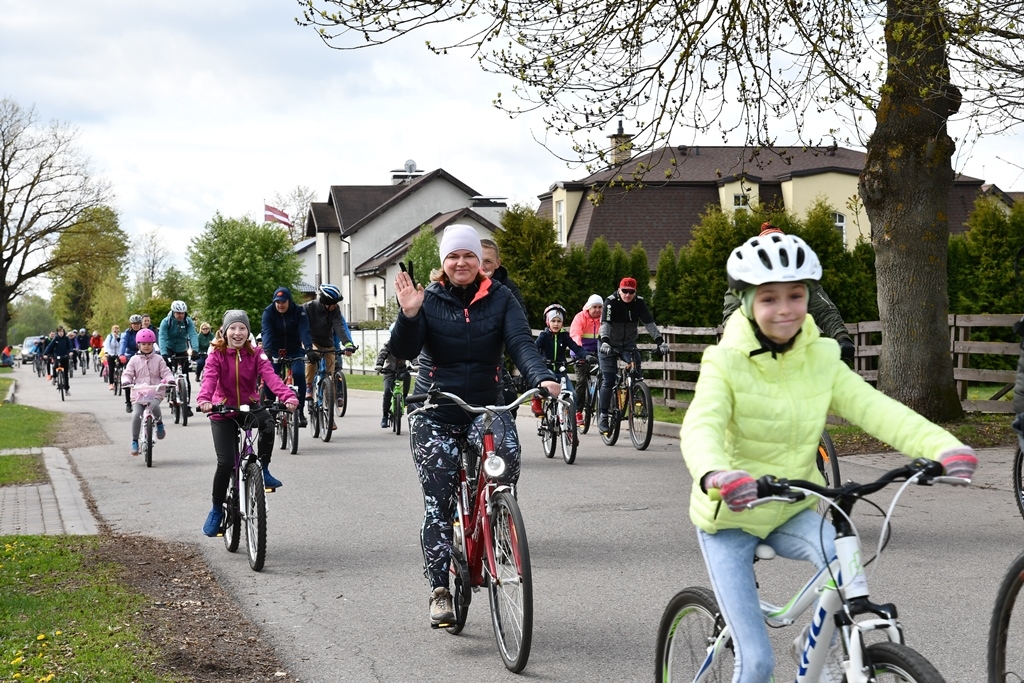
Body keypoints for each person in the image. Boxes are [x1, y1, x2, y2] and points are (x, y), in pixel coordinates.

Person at [680, 233, 977, 682]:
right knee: (757, 662)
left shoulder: (822, 359)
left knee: (846, 563)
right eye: (769, 298)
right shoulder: (724, 362)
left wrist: (941, 448)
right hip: (731, 518)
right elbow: (701, 425)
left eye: (796, 295)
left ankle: (828, 655)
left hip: (793, 508)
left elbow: (876, 408)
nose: (785, 309)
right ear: (744, 303)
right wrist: (715, 473)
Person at [390, 223, 560, 627]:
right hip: (436, 408)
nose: (461, 262)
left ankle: (497, 520)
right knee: (439, 502)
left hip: (487, 405)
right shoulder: (426, 299)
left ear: (479, 263)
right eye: (453, 256)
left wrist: (542, 377)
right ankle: (439, 590)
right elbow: (403, 350)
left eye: (469, 255)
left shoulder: (501, 298)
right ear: (443, 263)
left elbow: (520, 343)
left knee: (507, 459)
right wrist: (409, 314)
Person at [196, 310, 299, 535]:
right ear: (224, 331)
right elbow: (210, 378)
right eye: (233, 328)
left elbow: (271, 377)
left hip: (249, 406)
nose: (237, 332)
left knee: (269, 423)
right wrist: (205, 400)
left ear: (248, 331)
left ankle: (264, 469)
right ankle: (216, 510)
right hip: (222, 409)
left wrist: (287, 396)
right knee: (225, 464)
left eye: (242, 328)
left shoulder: (256, 353)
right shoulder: (216, 354)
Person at [723, 223, 856, 364]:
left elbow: (823, 309)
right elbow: (732, 317)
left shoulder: (799, 278)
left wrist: (841, 336)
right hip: (756, 354)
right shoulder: (746, 279)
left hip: (796, 353)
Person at [597, 277, 670, 434]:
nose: (628, 295)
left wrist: (660, 341)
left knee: (636, 374)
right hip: (608, 343)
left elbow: (649, 323)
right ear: (619, 289)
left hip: (628, 344)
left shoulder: (639, 303)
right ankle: (603, 415)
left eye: (631, 292)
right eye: (625, 291)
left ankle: (637, 402)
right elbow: (606, 324)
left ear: (635, 292)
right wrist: (605, 341)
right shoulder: (611, 302)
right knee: (609, 379)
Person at [302, 283, 356, 430]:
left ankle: (329, 416)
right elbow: (303, 328)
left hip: (328, 343)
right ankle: (308, 387)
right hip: (311, 342)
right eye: (333, 303)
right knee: (312, 359)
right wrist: (307, 348)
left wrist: (348, 344)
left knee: (329, 378)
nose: (335, 305)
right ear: (325, 302)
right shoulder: (308, 308)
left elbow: (339, 326)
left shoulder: (335, 310)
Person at [262, 286, 313, 428]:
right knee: (270, 376)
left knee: (298, 374)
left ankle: (300, 410)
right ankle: (272, 409)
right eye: (277, 302)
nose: (280, 305)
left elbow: (304, 330)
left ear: (289, 301)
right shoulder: (268, 312)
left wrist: (309, 348)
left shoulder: (299, 311)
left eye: (283, 302)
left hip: (294, 350)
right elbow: (267, 331)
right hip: (275, 350)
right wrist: (267, 350)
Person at [121, 328, 173, 455]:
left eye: (149, 344)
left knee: (154, 405)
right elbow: (127, 374)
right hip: (139, 393)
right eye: (143, 344)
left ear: (153, 344)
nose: (146, 346)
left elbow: (166, 372)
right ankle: (134, 441)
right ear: (138, 345)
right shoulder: (134, 360)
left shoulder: (159, 359)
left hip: (155, 391)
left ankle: (159, 423)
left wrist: (170, 380)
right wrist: (126, 381)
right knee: (136, 414)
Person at [531, 303, 588, 416]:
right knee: (546, 390)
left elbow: (576, 347)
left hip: (561, 371)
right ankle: (536, 399)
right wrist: (540, 359)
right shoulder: (544, 335)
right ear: (548, 322)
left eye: (559, 321)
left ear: (562, 323)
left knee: (572, 394)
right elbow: (534, 348)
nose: (556, 324)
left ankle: (569, 422)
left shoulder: (564, 336)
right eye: (553, 321)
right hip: (547, 370)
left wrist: (586, 356)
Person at [158, 300, 199, 417]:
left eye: (182, 313)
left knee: (185, 377)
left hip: (182, 348)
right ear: (173, 312)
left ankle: (187, 404)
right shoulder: (166, 322)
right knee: (169, 371)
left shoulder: (188, 321)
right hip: (169, 348)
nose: (180, 315)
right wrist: (164, 353)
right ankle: (169, 388)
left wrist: (195, 350)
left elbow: (193, 334)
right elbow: (162, 337)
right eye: (178, 313)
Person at [569, 294, 604, 425]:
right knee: (581, 381)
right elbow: (575, 335)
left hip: (597, 352)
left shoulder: (604, 319)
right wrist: (581, 353)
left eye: (600, 307)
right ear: (588, 307)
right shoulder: (580, 318)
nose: (597, 310)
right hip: (580, 352)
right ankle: (578, 412)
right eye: (594, 307)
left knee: (607, 377)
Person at [479, 238, 527, 315]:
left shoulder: (509, 289)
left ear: (497, 263)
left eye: (487, 261)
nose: (481, 267)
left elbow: (520, 319)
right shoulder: (460, 284)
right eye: (478, 260)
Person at [375, 336, 411, 428]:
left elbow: (412, 355)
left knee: (407, 376)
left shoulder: (406, 345)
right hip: (389, 372)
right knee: (387, 392)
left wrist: (416, 364)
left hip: (401, 371)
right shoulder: (389, 345)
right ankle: (385, 416)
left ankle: (405, 397)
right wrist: (379, 365)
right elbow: (382, 354)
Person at [119, 314, 144, 412]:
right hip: (130, 356)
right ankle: (128, 402)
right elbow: (123, 344)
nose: (136, 325)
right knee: (128, 379)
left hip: (142, 355)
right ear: (131, 324)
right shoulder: (127, 334)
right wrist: (121, 354)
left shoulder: (144, 332)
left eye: (138, 323)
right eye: (134, 324)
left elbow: (151, 343)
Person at [43, 327, 74, 394]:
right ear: (57, 332)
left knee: (65, 374)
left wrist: (71, 351)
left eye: (62, 332)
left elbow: (70, 346)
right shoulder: (56, 339)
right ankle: (54, 377)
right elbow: (49, 346)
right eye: (59, 332)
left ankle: (66, 389)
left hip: (65, 356)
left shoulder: (66, 339)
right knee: (54, 366)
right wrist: (45, 354)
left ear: (64, 332)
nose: (61, 333)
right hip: (57, 356)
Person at [104, 324, 122, 390]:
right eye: (114, 331)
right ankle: (111, 383)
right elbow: (106, 345)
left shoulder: (121, 336)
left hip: (119, 353)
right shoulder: (109, 336)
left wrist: (118, 339)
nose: (116, 333)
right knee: (111, 368)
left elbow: (122, 344)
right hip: (111, 353)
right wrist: (106, 352)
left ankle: (120, 376)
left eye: (117, 331)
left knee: (121, 366)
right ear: (112, 331)